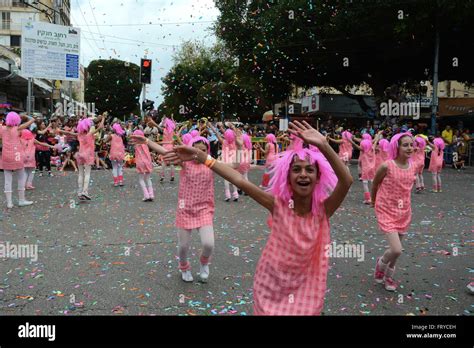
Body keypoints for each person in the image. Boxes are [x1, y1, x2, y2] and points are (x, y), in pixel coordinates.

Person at [164, 120, 352, 315]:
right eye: (296, 170)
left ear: (318, 177)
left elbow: (346, 181)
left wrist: (324, 145)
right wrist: (203, 157)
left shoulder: (323, 210)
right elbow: (238, 180)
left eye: (309, 170)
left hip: (307, 289)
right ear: (287, 178)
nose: (303, 174)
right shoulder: (278, 205)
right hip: (271, 285)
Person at [371, 133, 415, 291]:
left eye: (411, 144)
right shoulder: (386, 165)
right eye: (405, 145)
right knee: (396, 249)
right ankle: (380, 265)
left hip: (404, 212)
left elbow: (407, 189)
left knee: (397, 250)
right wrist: (373, 201)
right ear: (397, 147)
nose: (410, 148)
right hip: (386, 209)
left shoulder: (413, 166)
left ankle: (389, 277)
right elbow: (375, 184)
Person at [0, 112, 36, 208]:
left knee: (7, 179)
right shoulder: (18, 129)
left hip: (5, 156)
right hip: (17, 156)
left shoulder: (2, 129)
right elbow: (32, 120)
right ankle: (21, 200)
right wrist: (24, 116)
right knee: (21, 177)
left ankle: (9, 203)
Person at [350, 136, 375, 204]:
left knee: (365, 183)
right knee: (373, 181)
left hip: (366, 168)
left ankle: (368, 199)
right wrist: (378, 134)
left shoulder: (363, 150)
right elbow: (375, 140)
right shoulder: (373, 148)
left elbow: (356, 146)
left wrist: (351, 141)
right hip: (373, 168)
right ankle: (374, 197)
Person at [132, 130, 154, 202]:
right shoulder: (145, 143)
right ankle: (151, 194)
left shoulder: (136, 144)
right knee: (148, 178)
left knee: (141, 179)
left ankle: (146, 195)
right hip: (148, 161)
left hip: (140, 162)